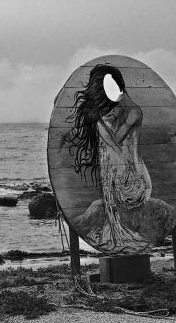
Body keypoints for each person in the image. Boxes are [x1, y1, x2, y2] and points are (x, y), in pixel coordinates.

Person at [62, 64, 152, 250]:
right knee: (97, 126)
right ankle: (111, 226)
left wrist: (99, 120)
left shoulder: (134, 112)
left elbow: (116, 141)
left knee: (97, 124)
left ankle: (117, 229)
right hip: (120, 170)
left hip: (133, 180)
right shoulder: (117, 110)